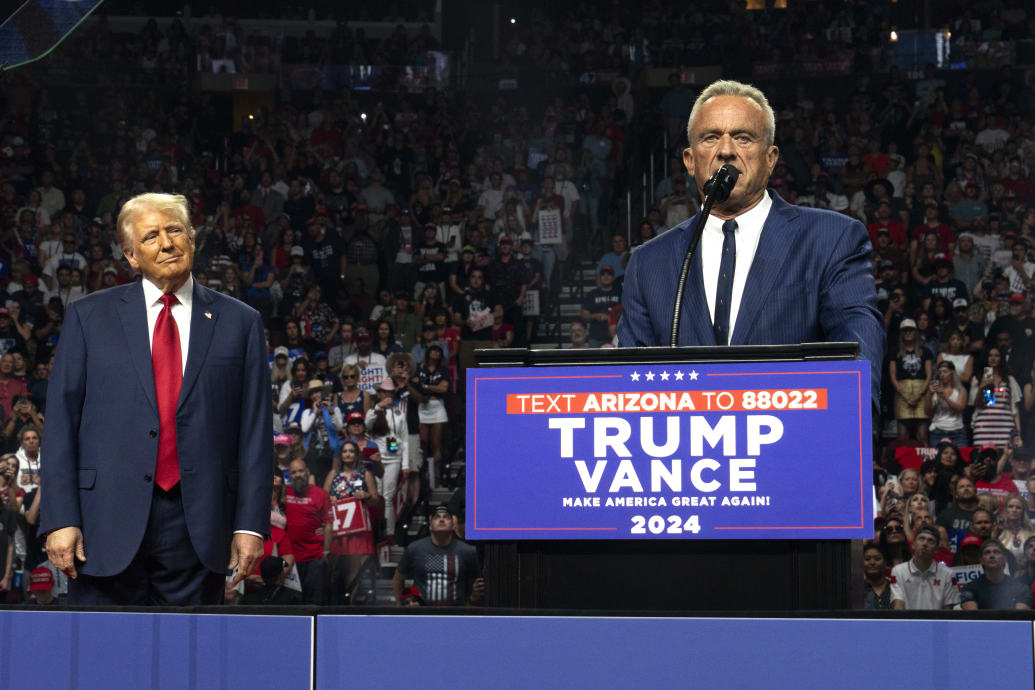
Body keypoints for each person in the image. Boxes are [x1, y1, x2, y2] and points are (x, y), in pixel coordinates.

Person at [41, 193, 271, 605]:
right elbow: (60, 423)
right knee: (104, 657)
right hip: (102, 523)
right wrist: (60, 517)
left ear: (192, 239)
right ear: (131, 254)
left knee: (190, 661)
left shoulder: (241, 322)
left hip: (200, 525)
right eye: (151, 236)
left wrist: (251, 525)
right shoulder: (88, 317)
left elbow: (255, 432)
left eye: (175, 230)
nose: (166, 243)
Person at [617, 80, 883, 407]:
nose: (726, 150)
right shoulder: (648, 263)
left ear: (771, 158)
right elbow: (631, 391)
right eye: (711, 137)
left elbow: (857, 356)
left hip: (793, 449)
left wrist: (846, 437)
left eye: (743, 137)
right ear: (689, 160)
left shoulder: (831, 239)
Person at [394, 504, 484, 606]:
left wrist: (471, 600)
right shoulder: (414, 548)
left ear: (453, 526)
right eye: (437, 517)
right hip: (422, 614)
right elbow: (398, 578)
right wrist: (402, 604)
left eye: (446, 517)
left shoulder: (468, 551)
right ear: (430, 527)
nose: (441, 520)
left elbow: (476, 584)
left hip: (456, 614)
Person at [322, 441, 378, 605]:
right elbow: (322, 498)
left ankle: (350, 604)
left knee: (355, 568)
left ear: (356, 454)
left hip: (358, 526)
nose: (348, 454)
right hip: (338, 526)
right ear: (341, 455)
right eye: (345, 451)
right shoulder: (333, 474)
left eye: (351, 451)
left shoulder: (365, 474)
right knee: (334, 565)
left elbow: (376, 500)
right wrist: (329, 498)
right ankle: (332, 600)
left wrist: (366, 496)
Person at [284, 458, 330, 604]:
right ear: (289, 475)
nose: (297, 474)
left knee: (314, 603)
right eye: (293, 472)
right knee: (291, 603)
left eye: (300, 471)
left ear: (307, 472)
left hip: (314, 557)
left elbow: (329, 525)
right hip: (289, 559)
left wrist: (327, 552)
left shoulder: (321, 494)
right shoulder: (284, 493)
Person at [890, 525, 960, 610]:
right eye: (921, 539)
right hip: (908, 622)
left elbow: (948, 610)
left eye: (930, 541)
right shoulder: (898, 571)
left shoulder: (948, 574)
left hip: (937, 622)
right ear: (913, 545)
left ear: (936, 549)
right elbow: (898, 606)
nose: (925, 543)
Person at [960, 540, 1032, 610]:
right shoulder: (970, 588)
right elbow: (972, 617)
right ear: (981, 560)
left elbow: (1020, 617)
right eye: (987, 552)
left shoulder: (1020, 588)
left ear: (1005, 559)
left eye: (996, 552)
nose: (992, 555)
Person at [862, 543, 893, 610]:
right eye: (867, 559)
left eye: (877, 559)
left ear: (885, 563)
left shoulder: (894, 587)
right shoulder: (857, 590)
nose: (872, 562)